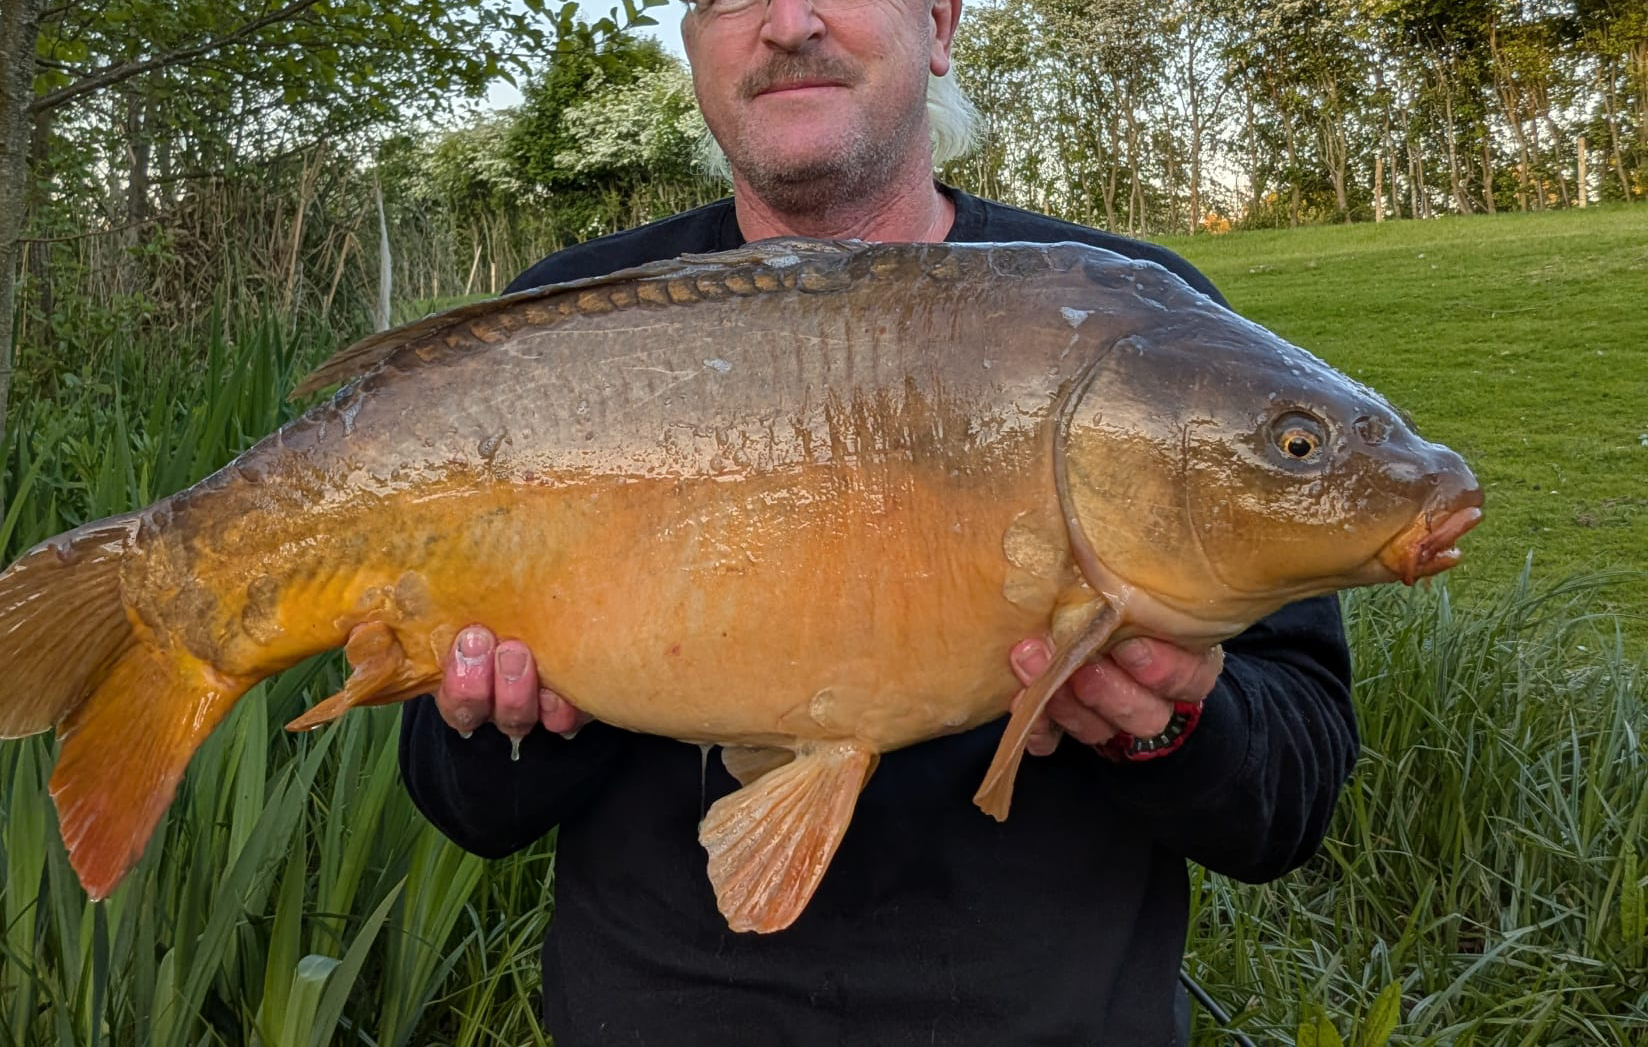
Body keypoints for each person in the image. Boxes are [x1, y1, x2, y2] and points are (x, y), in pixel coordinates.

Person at [399, 0, 1358, 1041]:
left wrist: (1170, 724)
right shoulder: (563, 322)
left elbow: (1289, 805)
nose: (788, 22)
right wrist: (531, 717)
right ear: (692, 43)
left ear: (938, 24)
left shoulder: (1134, 324)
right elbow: (464, 806)